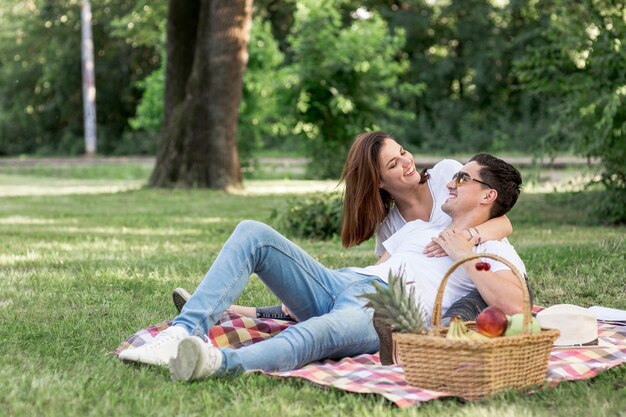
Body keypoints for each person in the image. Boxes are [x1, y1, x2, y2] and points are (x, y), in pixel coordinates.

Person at [118, 153, 525, 382]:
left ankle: (218, 364)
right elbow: (377, 267)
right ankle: (182, 331)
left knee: (313, 334)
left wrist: (465, 252)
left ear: (487, 194)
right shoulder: (420, 228)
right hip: (345, 284)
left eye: (462, 177)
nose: (450, 181)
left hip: (381, 312)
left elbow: (515, 306)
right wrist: (296, 295)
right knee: (252, 232)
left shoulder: (493, 247)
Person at [171, 131, 513, 319]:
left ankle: (236, 310)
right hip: (426, 293)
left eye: (404, 152)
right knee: (339, 298)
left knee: (460, 317)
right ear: (378, 182)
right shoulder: (391, 225)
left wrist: (465, 239)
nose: (408, 163)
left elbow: (502, 221)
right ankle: (233, 310)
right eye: (394, 164)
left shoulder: (444, 176)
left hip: (477, 276)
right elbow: (383, 271)